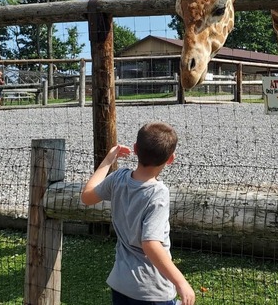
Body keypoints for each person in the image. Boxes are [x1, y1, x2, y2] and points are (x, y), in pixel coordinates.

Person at [81, 122, 195, 305]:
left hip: (121, 283)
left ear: (135, 149)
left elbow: (86, 197)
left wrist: (109, 160)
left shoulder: (118, 178)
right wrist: (181, 282)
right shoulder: (158, 193)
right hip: (151, 290)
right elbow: (150, 243)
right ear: (171, 159)